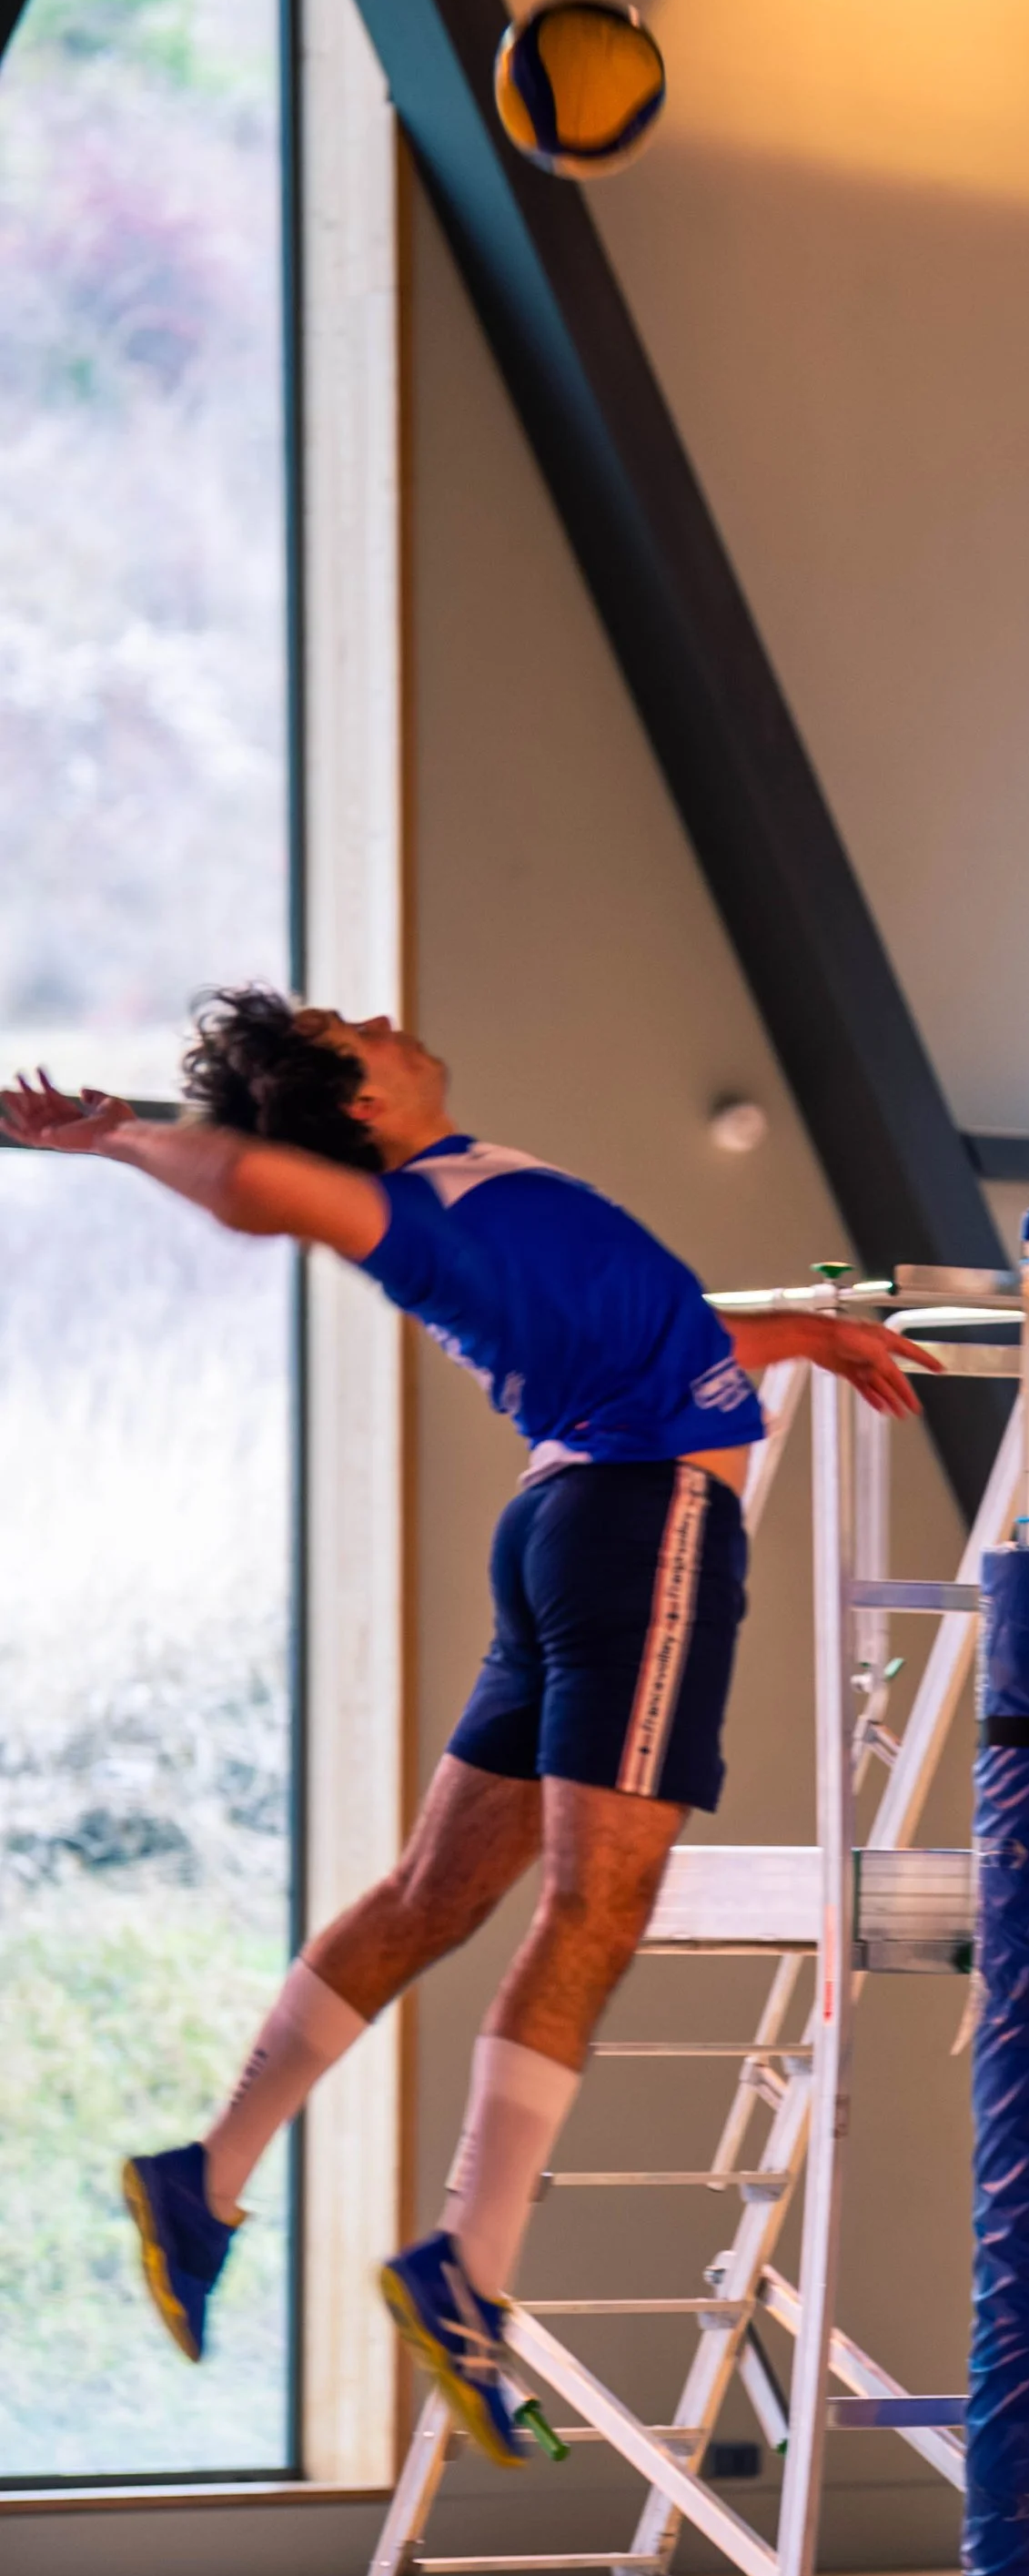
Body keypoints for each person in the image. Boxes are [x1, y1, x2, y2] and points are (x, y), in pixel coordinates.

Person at [2, 991, 936, 2466]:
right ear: (358, 1106)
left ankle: (207, 2176)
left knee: (435, 1896)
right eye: (349, 1027)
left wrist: (802, 1332)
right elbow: (250, 1185)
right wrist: (118, 1132)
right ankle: (467, 2270)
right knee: (595, 1905)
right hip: (640, 1532)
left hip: (567, 1519)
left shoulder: (470, 1187)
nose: (384, 1014)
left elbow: (656, 1330)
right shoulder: (409, 1211)